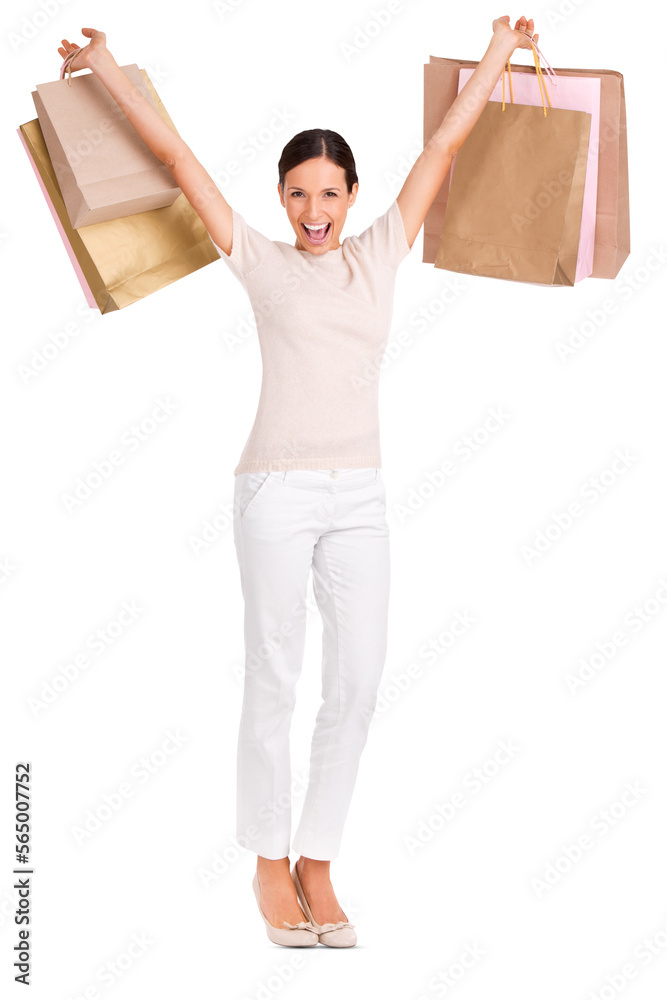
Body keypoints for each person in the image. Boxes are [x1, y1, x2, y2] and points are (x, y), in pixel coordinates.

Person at [57, 14, 539, 948]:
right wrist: (104, 64)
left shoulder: (383, 251)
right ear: (278, 200)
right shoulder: (261, 260)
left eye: (327, 192)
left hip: (359, 499)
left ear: (353, 194)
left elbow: (446, 140)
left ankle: (319, 856)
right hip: (273, 494)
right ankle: (267, 863)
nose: (312, 210)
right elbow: (176, 153)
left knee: (356, 679)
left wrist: (499, 50)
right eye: (295, 193)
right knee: (274, 676)